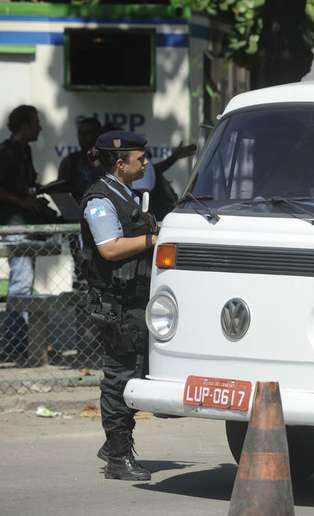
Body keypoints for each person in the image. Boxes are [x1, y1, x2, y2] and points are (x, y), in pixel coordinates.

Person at [80, 130, 158, 481]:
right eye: (140, 158)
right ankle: (117, 457)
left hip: (132, 299)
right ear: (119, 162)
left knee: (133, 371)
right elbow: (109, 248)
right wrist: (153, 238)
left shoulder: (124, 194)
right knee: (120, 376)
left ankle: (114, 445)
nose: (145, 163)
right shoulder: (101, 200)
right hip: (115, 302)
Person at [0, 105, 50, 365]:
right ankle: (13, 346)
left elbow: (24, 186)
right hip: (14, 226)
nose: (40, 127)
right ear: (25, 125)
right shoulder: (6, 152)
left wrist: (35, 196)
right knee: (20, 286)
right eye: (36, 122)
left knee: (23, 285)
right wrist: (22, 202)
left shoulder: (24, 151)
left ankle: (17, 345)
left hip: (24, 226)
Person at [57, 117, 107, 202]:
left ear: (98, 134)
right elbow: (61, 192)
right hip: (77, 212)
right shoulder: (70, 161)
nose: (83, 137)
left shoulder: (110, 160)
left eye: (88, 133)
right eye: (80, 133)